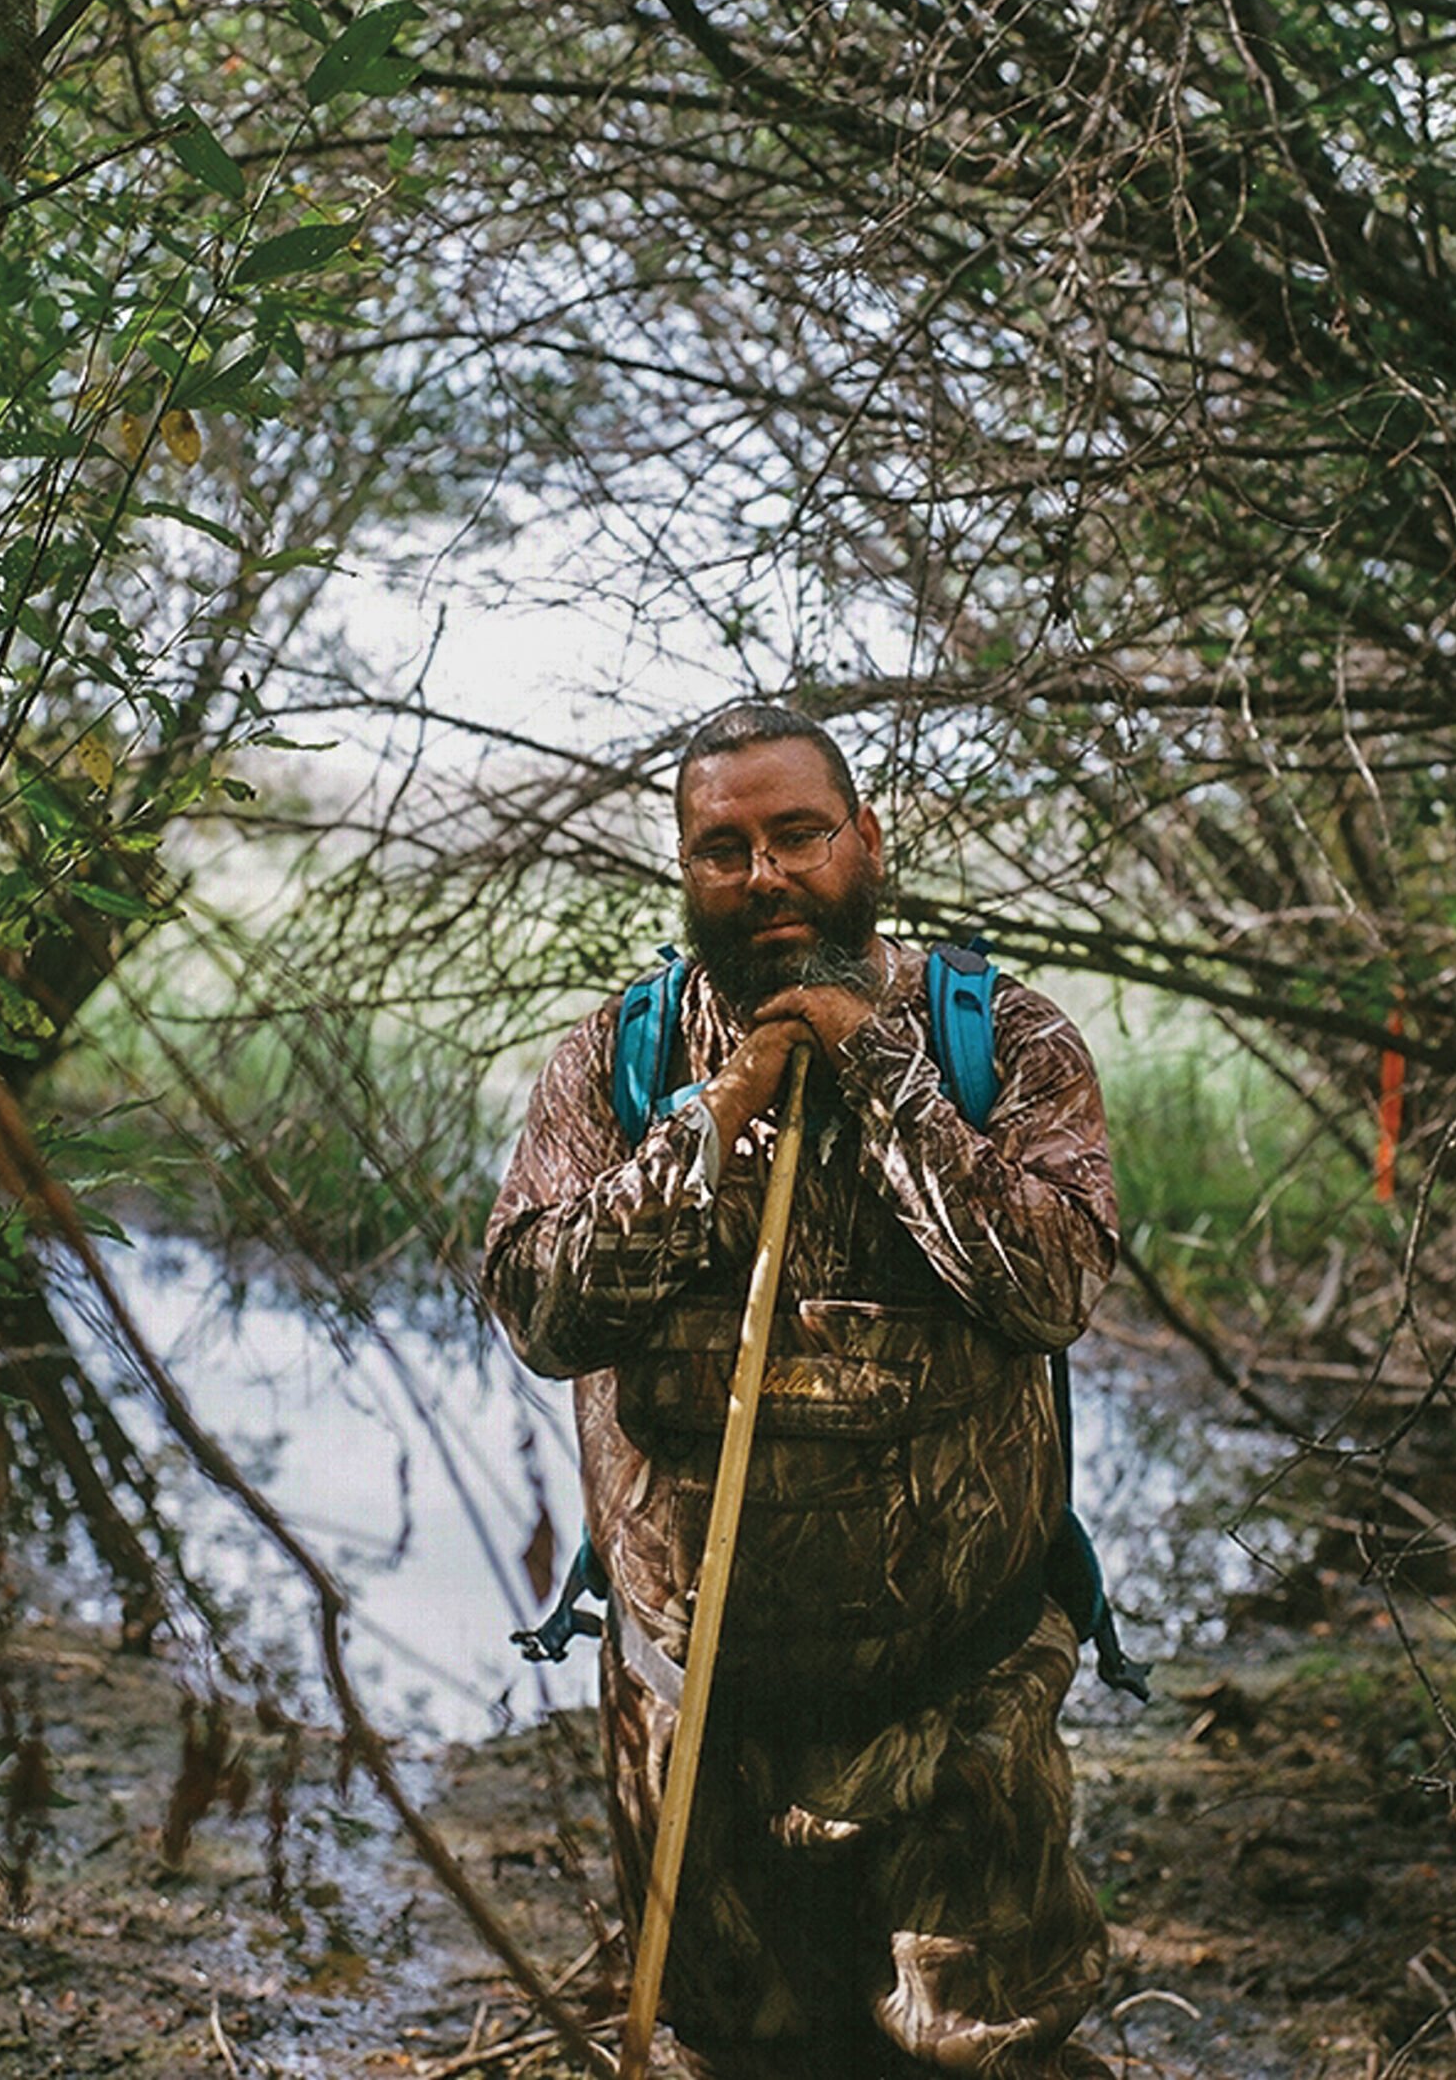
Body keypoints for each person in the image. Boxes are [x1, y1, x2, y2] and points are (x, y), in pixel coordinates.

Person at [483, 702, 1120, 2079]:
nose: (763, 875)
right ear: (684, 868)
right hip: (694, 1713)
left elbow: (1054, 1287)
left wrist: (878, 1070)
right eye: (722, 848)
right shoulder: (616, 1061)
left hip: (963, 1706)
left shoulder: (1001, 1045)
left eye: (795, 836)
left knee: (981, 2054)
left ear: (864, 839)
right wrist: (716, 1117)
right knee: (730, 2053)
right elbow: (539, 1310)